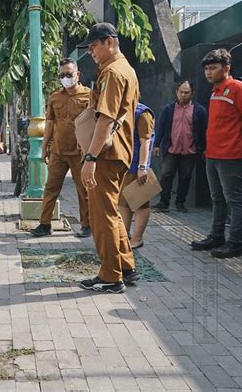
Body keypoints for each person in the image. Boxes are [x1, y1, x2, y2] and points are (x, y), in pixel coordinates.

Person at [77, 22, 140, 294]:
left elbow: (106, 118)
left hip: (106, 154)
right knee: (111, 212)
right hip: (118, 152)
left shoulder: (113, 72)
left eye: (93, 46)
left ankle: (111, 277)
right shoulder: (125, 70)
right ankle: (126, 266)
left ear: (109, 42)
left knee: (101, 216)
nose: (91, 52)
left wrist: (90, 157)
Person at [191, 49, 242, 258]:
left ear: (227, 68)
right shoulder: (216, 92)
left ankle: (235, 244)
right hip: (213, 155)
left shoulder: (238, 89)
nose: (208, 72)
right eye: (206, 68)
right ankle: (216, 236)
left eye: (213, 68)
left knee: (234, 200)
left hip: (232, 156)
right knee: (217, 198)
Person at [30, 58, 91, 238]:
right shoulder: (55, 97)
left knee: (84, 190)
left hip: (80, 152)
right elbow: (49, 123)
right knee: (50, 188)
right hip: (58, 151)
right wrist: (44, 147)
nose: (66, 78)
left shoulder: (89, 95)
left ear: (77, 74)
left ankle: (87, 225)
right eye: (62, 75)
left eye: (69, 74)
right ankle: (44, 224)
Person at [152, 81, 207, 213]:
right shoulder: (168, 109)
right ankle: (163, 202)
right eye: (181, 92)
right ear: (176, 92)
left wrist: (204, 148)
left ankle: (180, 203)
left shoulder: (200, 111)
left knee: (185, 177)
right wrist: (157, 144)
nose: (183, 95)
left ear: (192, 93)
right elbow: (161, 127)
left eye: (186, 92)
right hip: (171, 148)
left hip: (190, 150)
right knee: (166, 175)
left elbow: (204, 131)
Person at [119, 103, 155, 249]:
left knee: (140, 203)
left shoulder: (142, 113)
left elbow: (145, 142)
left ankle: (137, 238)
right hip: (125, 164)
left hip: (137, 165)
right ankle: (124, 234)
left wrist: (142, 167)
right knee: (123, 202)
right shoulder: (123, 111)